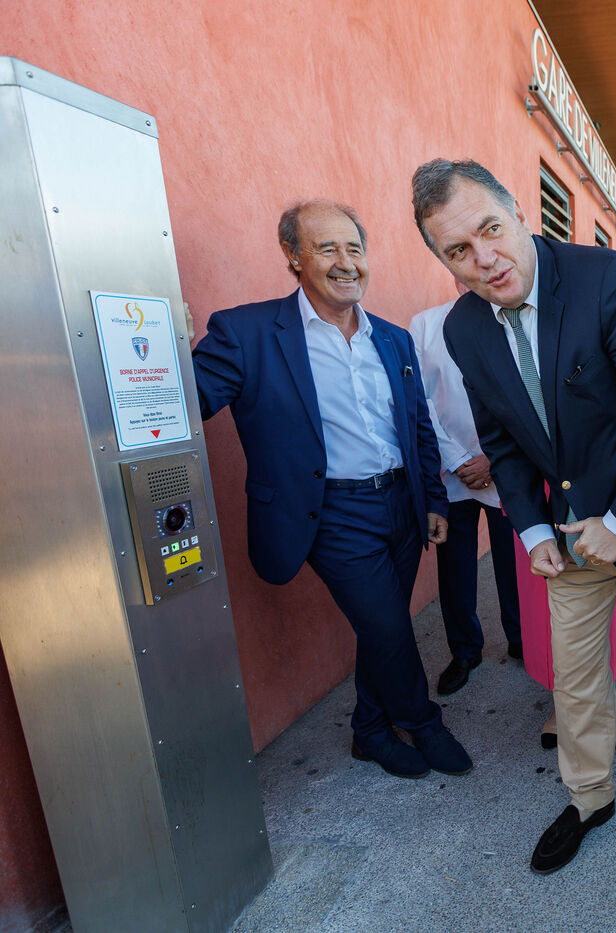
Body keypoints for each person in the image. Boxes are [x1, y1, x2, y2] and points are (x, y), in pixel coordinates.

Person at [411, 159, 616, 876]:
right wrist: (532, 529)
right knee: (577, 674)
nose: (483, 258)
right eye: (458, 249)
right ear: (443, 260)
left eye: (490, 229)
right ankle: (590, 797)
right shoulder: (463, 328)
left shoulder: (612, 280)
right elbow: (501, 438)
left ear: (518, 214)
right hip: (570, 532)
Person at [190, 200, 472, 781]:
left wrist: (434, 499)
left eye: (355, 249)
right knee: (388, 626)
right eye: (327, 248)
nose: (346, 262)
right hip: (331, 512)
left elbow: (417, 425)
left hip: (401, 502)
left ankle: (370, 730)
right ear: (293, 257)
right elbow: (182, 403)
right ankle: (423, 723)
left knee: (380, 624)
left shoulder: (392, 339)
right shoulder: (246, 333)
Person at [409, 284, 523, 695]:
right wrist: (457, 459)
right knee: (455, 568)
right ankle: (464, 651)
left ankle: (521, 638)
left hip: (505, 465)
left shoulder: (516, 318)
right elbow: (419, 400)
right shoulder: (424, 325)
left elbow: (527, 395)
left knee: (515, 562)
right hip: (451, 469)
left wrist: (493, 458)